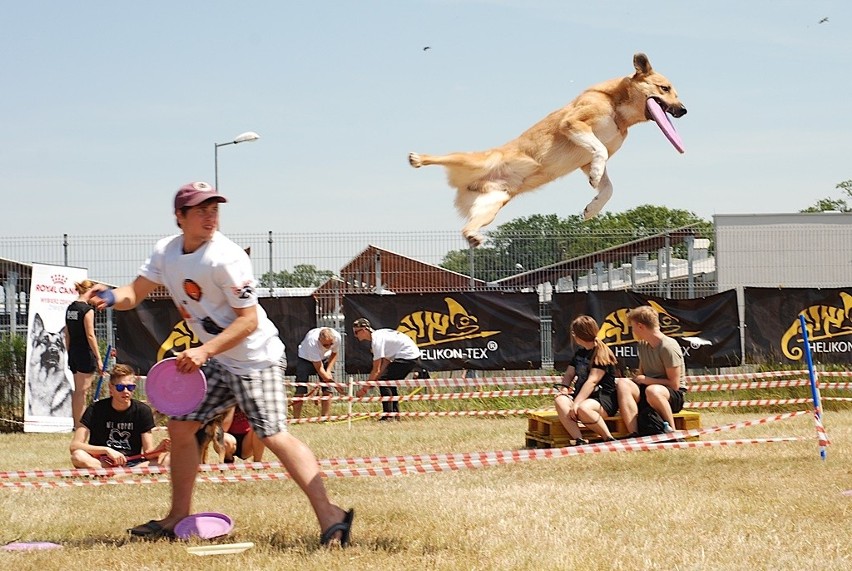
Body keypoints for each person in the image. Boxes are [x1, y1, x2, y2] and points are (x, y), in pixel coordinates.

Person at [86, 181, 353, 545]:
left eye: (214, 209)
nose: (210, 216)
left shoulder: (227, 258)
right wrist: (108, 295)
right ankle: (177, 517)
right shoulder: (166, 252)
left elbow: (249, 321)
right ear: (179, 217)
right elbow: (134, 293)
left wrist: (203, 352)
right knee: (181, 427)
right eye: (200, 209)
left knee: (274, 434)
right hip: (219, 359)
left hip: (256, 359)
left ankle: (332, 516)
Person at [70, 363, 169, 468]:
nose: (126, 391)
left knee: (167, 459)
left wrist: (160, 447)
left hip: (132, 462)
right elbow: (75, 445)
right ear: (111, 388)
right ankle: (119, 472)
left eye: (130, 387)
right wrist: (107, 450)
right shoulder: (95, 409)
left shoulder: (143, 411)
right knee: (77, 456)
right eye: (120, 387)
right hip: (102, 461)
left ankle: (115, 473)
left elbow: (148, 453)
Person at [616, 305, 687, 437]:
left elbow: (674, 384)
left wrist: (648, 380)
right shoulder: (643, 345)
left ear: (641, 326)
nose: (633, 331)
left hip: (671, 395)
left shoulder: (668, 347)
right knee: (623, 383)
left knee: (652, 390)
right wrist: (635, 379)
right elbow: (641, 373)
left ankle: (673, 432)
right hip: (648, 389)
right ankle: (634, 432)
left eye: (633, 327)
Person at [554, 315, 619, 444]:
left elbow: (592, 381)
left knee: (584, 409)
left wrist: (576, 403)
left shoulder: (601, 353)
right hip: (582, 396)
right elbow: (569, 374)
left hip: (602, 398)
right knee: (560, 400)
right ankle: (579, 439)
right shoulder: (580, 353)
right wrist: (564, 389)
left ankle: (608, 438)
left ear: (579, 335)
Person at [352, 318, 428, 420]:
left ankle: (388, 416)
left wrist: (364, 389)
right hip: (411, 354)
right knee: (389, 382)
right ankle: (395, 415)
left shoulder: (376, 341)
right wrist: (373, 383)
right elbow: (385, 364)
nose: (355, 336)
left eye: (356, 332)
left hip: (408, 356)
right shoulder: (379, 335)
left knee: (385, 382)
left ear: (364, 330)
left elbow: (376, 369)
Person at [65, 279, 104, 427]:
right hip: (84, 354)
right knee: (82, 392)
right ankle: (80, 425)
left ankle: (77, 423)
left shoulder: (70, 308)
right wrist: (98, 358)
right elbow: (90, 335)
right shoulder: (87, 310)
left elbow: (67, 333)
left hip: (74, 352)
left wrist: (69, 352)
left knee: (78, 391)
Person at [293, 327, 341, 419]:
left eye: (331, 344)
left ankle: (325, 418)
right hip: (305, 358)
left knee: (327, 389)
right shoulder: (312, 342)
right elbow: (319, 369)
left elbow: (334, 353)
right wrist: (335, 385)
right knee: (300, 388)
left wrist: (329, 370)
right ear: (319, 340)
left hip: (325, 358)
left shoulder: (337, 337)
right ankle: (296, 419)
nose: (328, 347)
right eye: (325, 345)